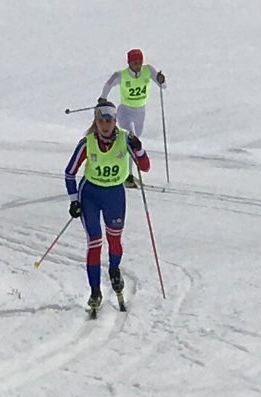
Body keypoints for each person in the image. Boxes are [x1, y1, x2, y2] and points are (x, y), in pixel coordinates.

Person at [64, 101, 150, 310]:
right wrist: (74, 200)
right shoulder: (87, 142)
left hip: (115, 195)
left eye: (108, 120)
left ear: (115, 121)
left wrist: (138, 150)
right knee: (94, 241)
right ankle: (95, 292)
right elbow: (69, 172)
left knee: (114, 239)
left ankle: (114, 269)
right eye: (101, 121)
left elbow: (145, 167)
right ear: (95, 121)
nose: (105, 125)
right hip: (91, 195)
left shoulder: (125, 139)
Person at [98, 48, 165, 188]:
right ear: (129, 62)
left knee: (135, 142)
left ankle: (127, 173)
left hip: (141, 111)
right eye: (135, 62)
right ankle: (127, 176)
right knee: (130, 141)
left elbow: (163, 86)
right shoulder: (122, 75)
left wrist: (161, 80)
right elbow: (109, 83)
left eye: (140, 62)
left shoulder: (148, 70)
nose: (138, 65)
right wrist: (103, 98)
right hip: (125, 111)